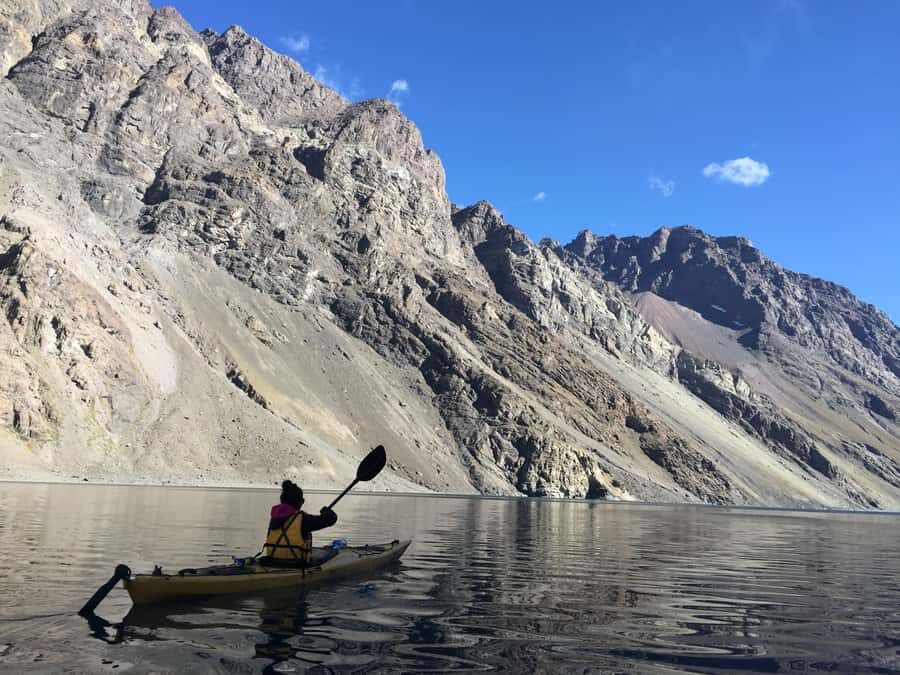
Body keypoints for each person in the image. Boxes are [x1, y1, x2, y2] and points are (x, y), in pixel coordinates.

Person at [261, 480, 337, 566]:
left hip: (272, 561)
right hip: (296, 564)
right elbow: (331, 519)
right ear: (299, 502)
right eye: (302, 501)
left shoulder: (274, 518)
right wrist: (326, 512)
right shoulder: (303, 519)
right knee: (332, 554)